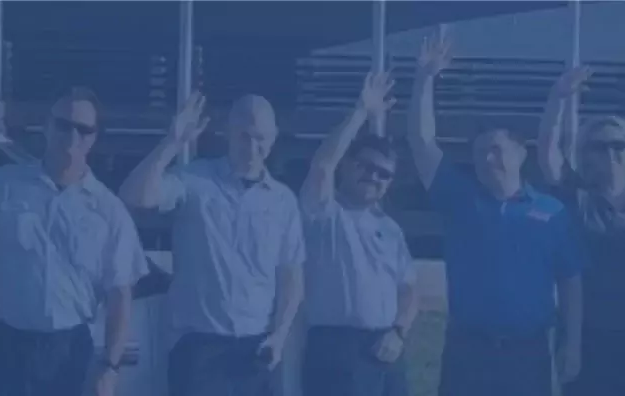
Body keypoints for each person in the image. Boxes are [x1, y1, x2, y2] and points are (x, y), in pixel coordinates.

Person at [402, 25, 587, 396]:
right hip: (466, 351)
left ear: (521, 153)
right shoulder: (458, 199)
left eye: (497, 149)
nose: (488, 158)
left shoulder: (553, 213)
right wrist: (425, 78)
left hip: (528, 354)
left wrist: (574, 344)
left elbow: (571, 282)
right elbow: (421, 141)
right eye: (480, 151)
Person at [0, 87, 146, 396]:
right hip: (0, 349)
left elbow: (120, 294)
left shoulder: (109, 210)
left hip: (66, 355)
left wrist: (111, 366)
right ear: (47, 127)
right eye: (64, 125)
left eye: (83, 129)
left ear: (94, 138)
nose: (72, 136)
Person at [122, 79, 314, 396]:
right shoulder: (195, 181)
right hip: (199, 349)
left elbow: (291, 276)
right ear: (227, 132)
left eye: (261, 138)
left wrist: (279, 336)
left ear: (274, 138)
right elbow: (133, 195)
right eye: (244, 136)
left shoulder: (284, 201)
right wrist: (171, 142)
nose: (253, 148)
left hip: (258, 350)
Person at [526, 49, 625, 396]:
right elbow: (548, 155)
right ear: (584, 155)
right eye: (599, 146)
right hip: (588, 338)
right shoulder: (576, 198)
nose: (610, 153)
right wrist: (557, 99)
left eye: (619, 145)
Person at [297, 63, 414, 396]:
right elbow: (322, 164)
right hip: (336, 349)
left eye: (384, 174)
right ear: (347, 165)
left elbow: (408, 290)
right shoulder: (323, 212)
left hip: (387, 350)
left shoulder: (391, 229)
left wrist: (399, 332)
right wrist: (361, 110)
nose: (373, 177)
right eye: (366, 167)